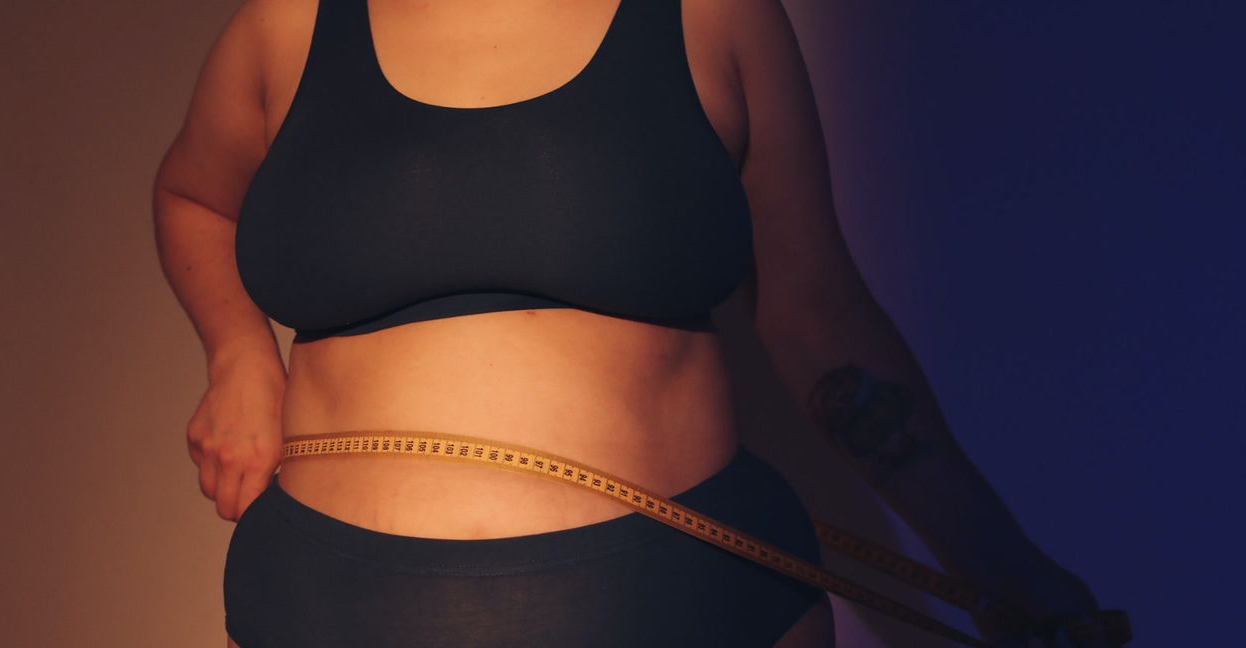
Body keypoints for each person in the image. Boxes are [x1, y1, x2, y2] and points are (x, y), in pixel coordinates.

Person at [152, 1, 1115, 646]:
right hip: (328, 601)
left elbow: (821, 316)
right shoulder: (284, 27)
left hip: (691, 597)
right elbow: (195, 196)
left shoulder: (716, 17)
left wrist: (999, 563)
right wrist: (237, 352)